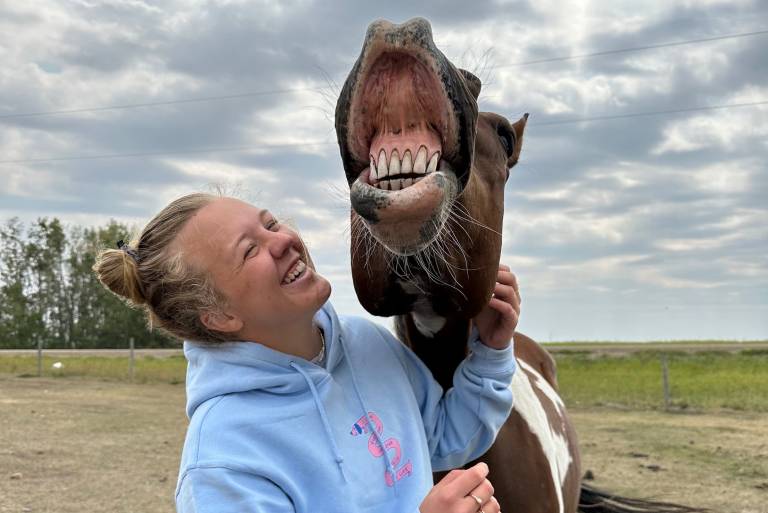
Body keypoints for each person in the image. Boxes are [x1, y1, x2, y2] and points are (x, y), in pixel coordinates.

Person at [93, 193, 521, 513]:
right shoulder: (223, 462)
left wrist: (492, 349)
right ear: (218, 316)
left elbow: (446, 438)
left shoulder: (366, 344)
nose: (283, 242)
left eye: (271, 224)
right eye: (249, 250)